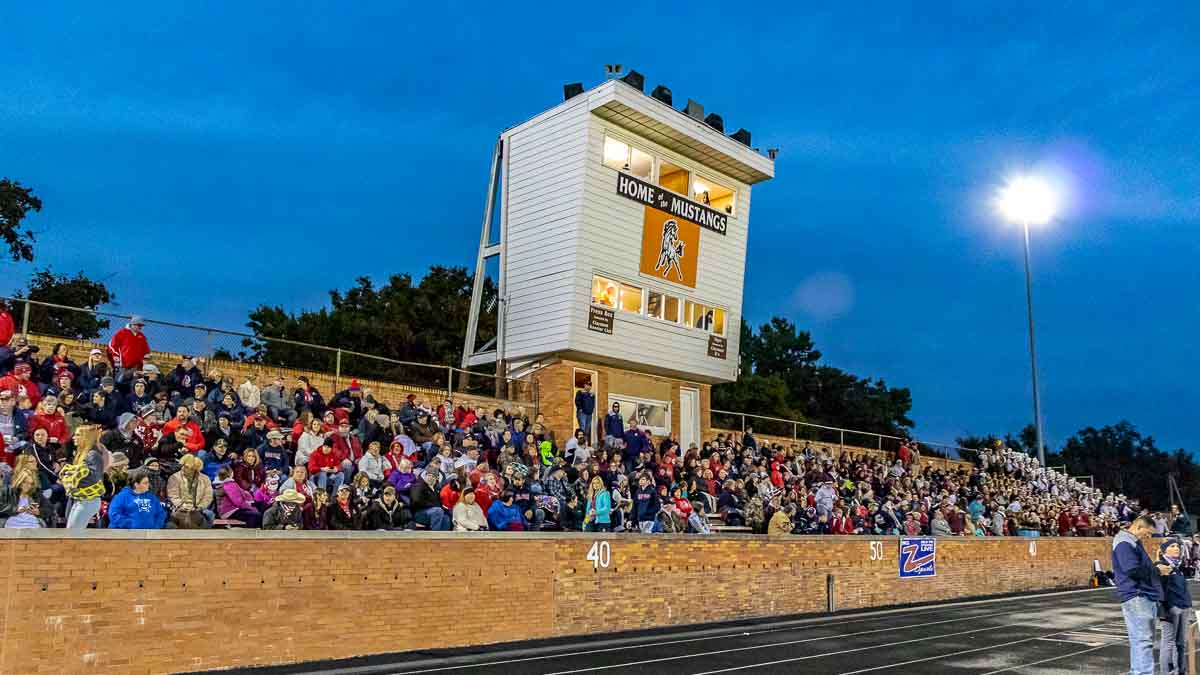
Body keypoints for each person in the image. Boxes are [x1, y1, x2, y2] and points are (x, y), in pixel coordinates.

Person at [1113, 515, 1167, 675]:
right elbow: (1132, 569)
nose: (1148, 536)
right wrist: (1157, 570)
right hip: (1137, 594)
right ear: (1138, 527)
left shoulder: (1130, 541)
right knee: (1143, 640)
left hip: (1140, 594)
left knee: (1140, 639)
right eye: (1147, 533)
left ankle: (1138, 671)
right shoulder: (1125, 542)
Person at [1157, 538, 1193, 675]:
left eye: (1177, 546)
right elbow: (1159, 590)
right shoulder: (1161, 566)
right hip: (1171, 610)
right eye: (1172, 546)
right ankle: (1166, 672)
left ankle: (1179, 671)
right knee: (1169, 642)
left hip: (1183, 607)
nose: (1176, 548)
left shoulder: (1177, 567)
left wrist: (1187, 605)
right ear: (1163, 550)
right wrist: (1167, 609)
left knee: (1181, 643)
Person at [64, 425, 107, 529]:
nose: (74, 437)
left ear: (86, 437)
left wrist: (72, 478)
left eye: (78, 435)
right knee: (71, 531)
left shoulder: (93, 454)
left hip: (88, 500)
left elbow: (93, 478)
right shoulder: (83, 454)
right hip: (80, 499)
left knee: (73, 533)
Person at [167, 454, 214, 528]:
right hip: (179, 507)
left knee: (210, 514)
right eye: (182, 465)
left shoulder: (205, 479)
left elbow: (208, 496)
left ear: (194, 469)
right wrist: (182, 505)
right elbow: (172, 495)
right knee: (178, 519)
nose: (182, 468)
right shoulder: (174, 477)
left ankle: (203, 533)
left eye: (186, 467)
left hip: (198, 507)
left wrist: (199, 507)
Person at [107, 316, 150, 385]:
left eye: (141, 326)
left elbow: (146, 350)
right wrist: (115, 355)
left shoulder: (141, 336)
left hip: (136, 366)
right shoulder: (122, 332)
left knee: (133, 384)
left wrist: (145, 359)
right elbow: (112, 345)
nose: (140, 327)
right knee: (119, 382)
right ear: (132, 324)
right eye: (139, 325)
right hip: (123, 365)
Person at [410, 466, 450, 530]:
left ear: (437, 478)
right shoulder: (418, 486)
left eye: (433, 476)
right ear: (425, 476)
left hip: (433, 512)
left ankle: (441, 535)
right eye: (429, 475)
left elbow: (439, 503)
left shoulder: (436, 489)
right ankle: (434, 534)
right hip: (419, 513)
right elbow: (416, 500)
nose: (430, 478)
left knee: (446, 518)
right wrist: (433, 505)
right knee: (438, 511)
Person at [574, 381, 595, 445]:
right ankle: (580, 443)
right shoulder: (580, 392)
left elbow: (593, 403)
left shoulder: (591, 394)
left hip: (589, 414)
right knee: (582, 429)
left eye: (590, 385)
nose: (588, 387)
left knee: (587, 430)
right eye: (587, 385)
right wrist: (580, 409)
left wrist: (592, 410)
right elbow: (577, 401)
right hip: (582, 413)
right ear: (584, 385)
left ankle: (584, 443)